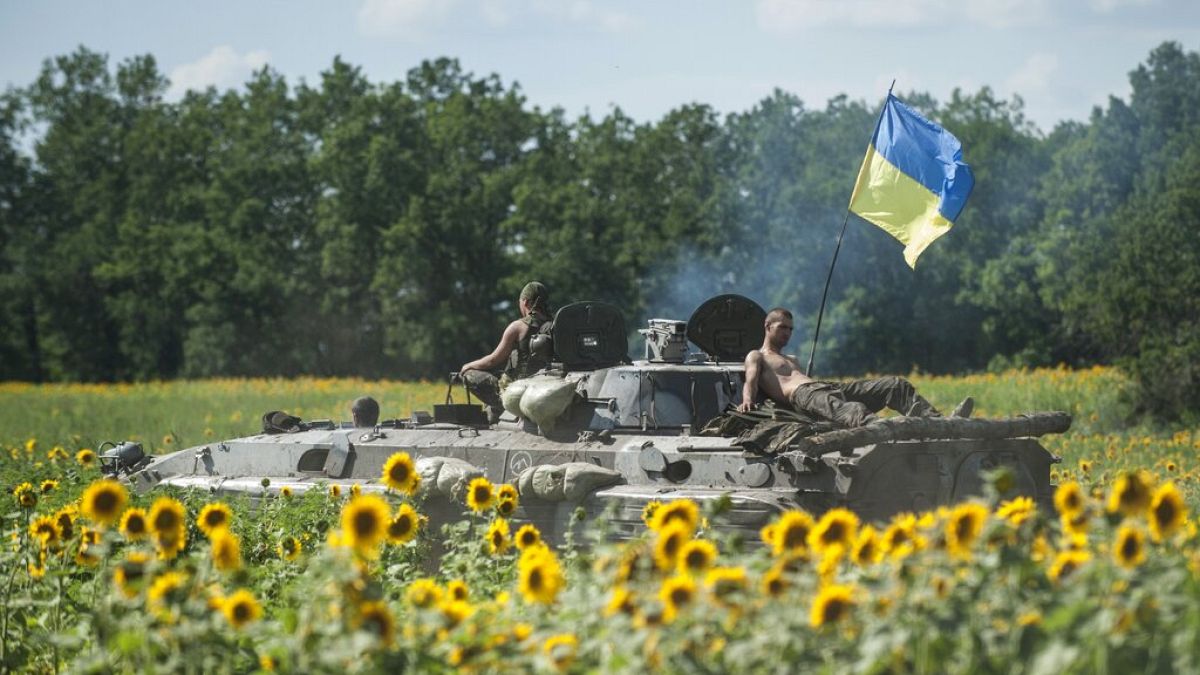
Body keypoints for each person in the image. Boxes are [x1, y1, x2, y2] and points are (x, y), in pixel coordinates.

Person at [738, 307, 972, 427]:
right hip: (803, 396)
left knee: (894, 385)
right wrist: (747, 400)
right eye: (782, 328)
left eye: (791, 329)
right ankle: (886, 430)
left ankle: (940, 424)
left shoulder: (793, 358)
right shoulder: (757, 355)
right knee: (854, 410)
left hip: (825, 388)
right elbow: (751, 380)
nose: (788, 333)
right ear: (768, 326)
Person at [459, 281, 553, 423]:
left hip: (514, 390)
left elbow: (493, 360)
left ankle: (500, 407)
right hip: (542, 388)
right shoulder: (554, 326)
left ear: (525, 302)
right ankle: (496, 411)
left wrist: (468, 366)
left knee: (469, 375)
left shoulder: (518, 326)